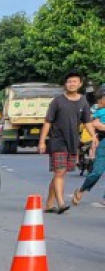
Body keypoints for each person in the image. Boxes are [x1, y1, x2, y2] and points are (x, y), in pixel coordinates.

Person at [39, 70, 93, 213]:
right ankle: (61, 203)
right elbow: (47, 122)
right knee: (60, 171)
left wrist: (94, 137)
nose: (71, 84)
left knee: (60, 173)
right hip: (57, 141)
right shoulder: (57, 101)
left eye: (74, 81)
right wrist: (42, 141)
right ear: (65, 84)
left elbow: (87, 122)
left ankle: (49, 204)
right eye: (69, 82)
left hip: (72, 142)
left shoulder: (83, 102)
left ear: (80, 84)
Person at [73, 90, 105, 207]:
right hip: (103, 143)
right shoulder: (100, 111)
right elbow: (96, 124)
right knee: (97, 172)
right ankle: (81, 190)